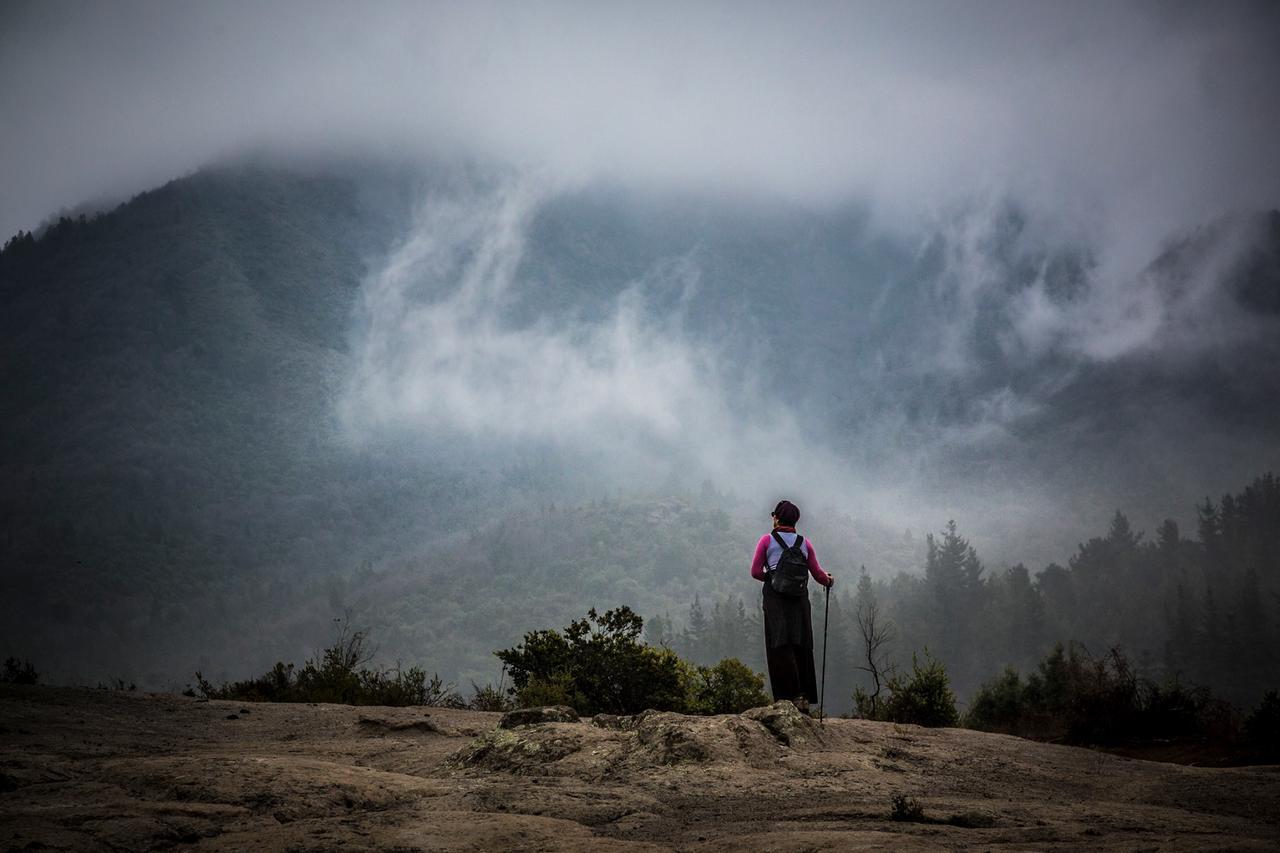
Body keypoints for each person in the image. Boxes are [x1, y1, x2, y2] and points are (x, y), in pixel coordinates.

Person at [749, 499, 833, 710]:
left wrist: (774, 578)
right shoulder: (804, 543)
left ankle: (787, 698)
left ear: (776, 518)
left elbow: (756, 572)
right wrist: (829, 580)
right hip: (799, 599)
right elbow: (818, 574)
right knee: (801, 643)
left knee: (779, 644)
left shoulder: (766, 541)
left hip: (775, 599)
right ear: (795, 521)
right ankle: (803, 697)